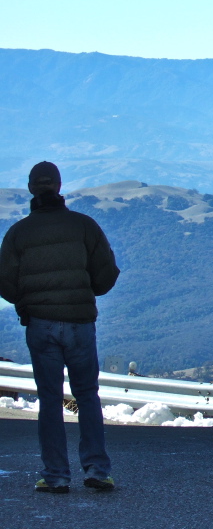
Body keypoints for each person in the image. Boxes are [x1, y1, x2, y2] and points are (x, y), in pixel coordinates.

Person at [0, 161, 120, 494]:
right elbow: (106, 275)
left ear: (31, 189)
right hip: (80, 323)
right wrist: (83, 291)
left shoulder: (18, 233)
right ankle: (98, 470)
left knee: (50, 399)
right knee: (87, 394)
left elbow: (5, 283)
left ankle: (55, 475)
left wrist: (28, 302)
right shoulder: (84, 226)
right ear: (59, 186)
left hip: (40, 324)